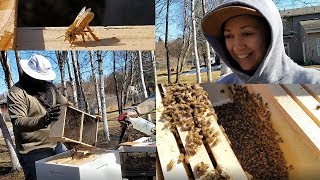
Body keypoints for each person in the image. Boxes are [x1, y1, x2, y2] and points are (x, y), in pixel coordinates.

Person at [201, 0, 320, 83]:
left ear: (270, 35)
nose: (237, 46)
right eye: (229, 36)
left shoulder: (314, 82)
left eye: (247, 33)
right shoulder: (222, 86)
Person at [7, 54, 68, 180]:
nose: (43, 81)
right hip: (33, 151)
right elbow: (18, 122)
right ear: (29, 75)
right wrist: (44, 120)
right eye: (39, 78)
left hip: (56, 144)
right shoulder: (16, 92)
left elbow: (65, 105)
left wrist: (87, 119)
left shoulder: (49, 88)